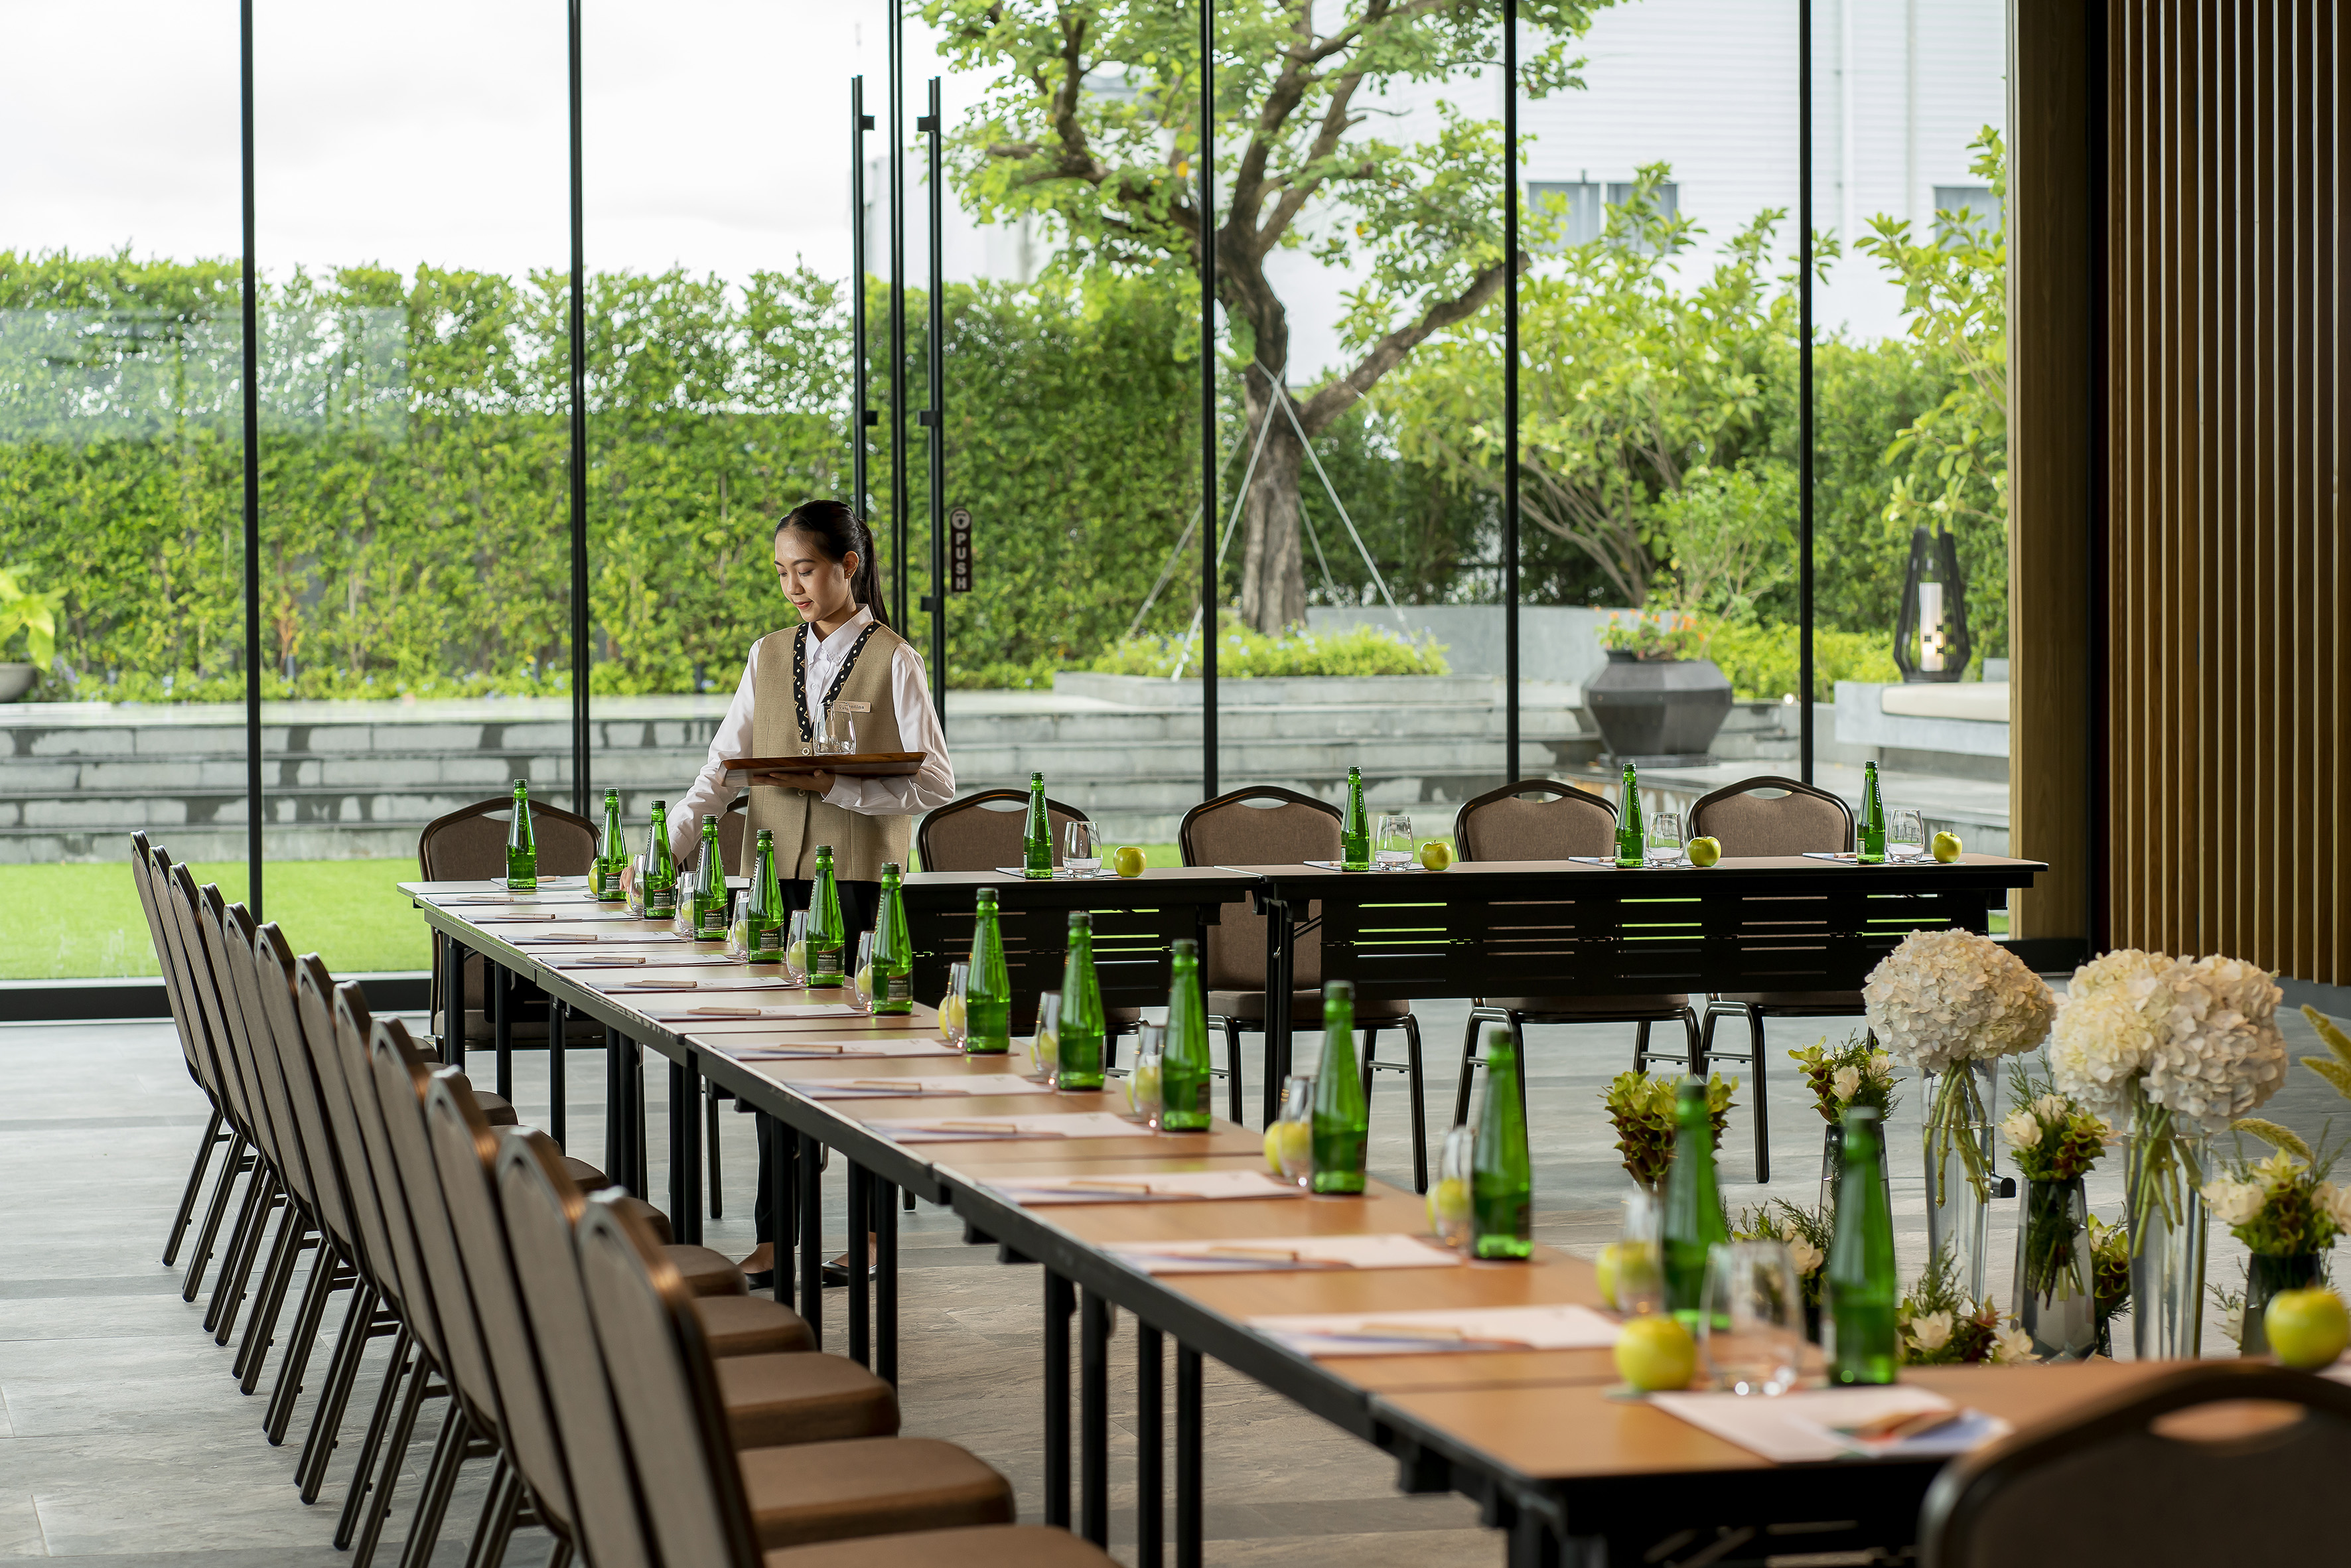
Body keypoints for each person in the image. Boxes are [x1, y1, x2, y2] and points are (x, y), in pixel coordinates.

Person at [664, 499, 954, 1284]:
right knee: (775, 1058)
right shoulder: (766, 655)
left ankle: (870, 1234)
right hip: (775, 889)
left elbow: (935, 780)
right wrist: (668, 847)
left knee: (864, 1065)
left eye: (806, 569)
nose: (792, 586)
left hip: (862, 889)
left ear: (847, 566)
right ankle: (776, 1237)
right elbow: (721, 770)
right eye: (782, 572)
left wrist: (841, 789)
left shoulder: (894, 658)